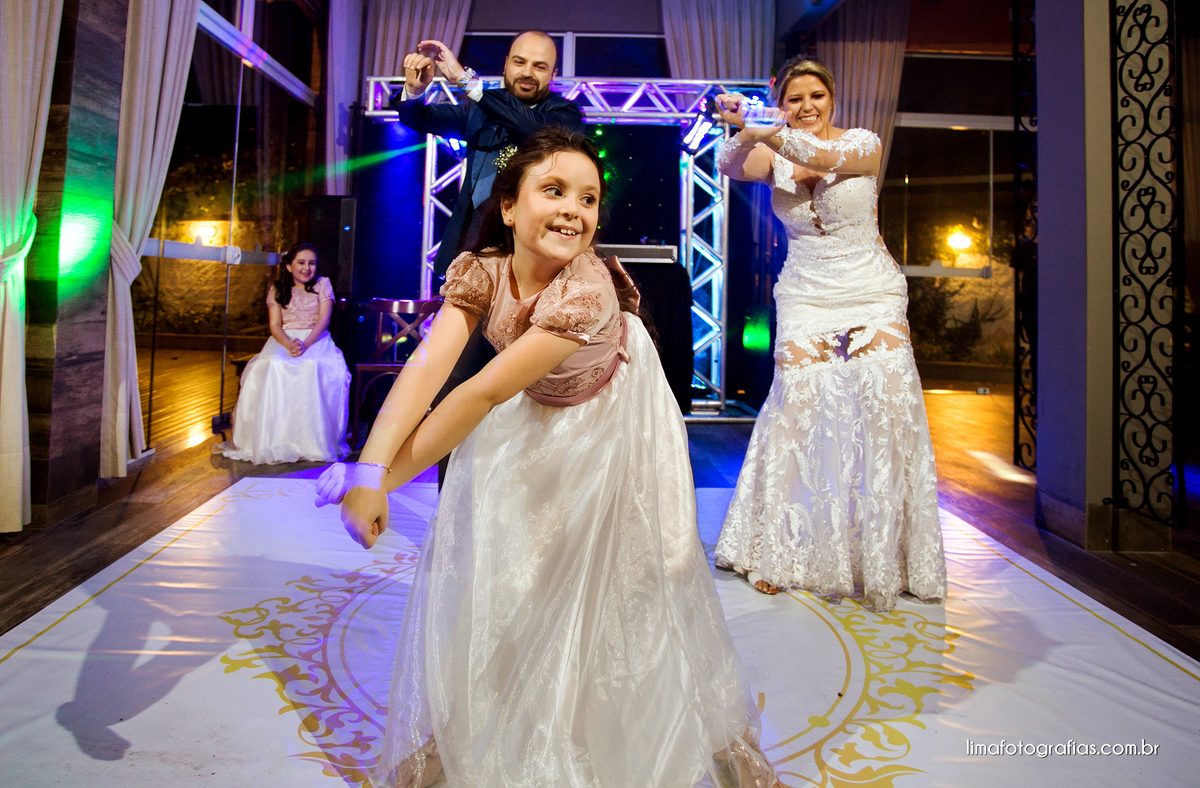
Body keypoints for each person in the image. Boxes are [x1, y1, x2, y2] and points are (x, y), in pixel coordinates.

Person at [315, 128, 780, 788]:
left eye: (588, 199)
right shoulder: (481, 270)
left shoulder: (586, 292)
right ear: (508, 206)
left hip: (618, 410)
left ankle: (726, 740)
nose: (573, 211)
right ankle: (460, 731)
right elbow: (427, 368)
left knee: (645, 579)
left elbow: (480, 391)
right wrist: (368, 470)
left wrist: (382, 482)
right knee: (508, 572)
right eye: (554, 191)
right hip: (532, 403)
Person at [710, 58, 947, 611]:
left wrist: (766, 127)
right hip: (806, 291)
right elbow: (729, 163)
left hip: (871, 288)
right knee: (796, 407)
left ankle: (889, 559)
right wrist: (744, 129)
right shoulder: (772, 150)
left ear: (832, 98)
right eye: (794, 99)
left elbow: (817, 156)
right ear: (782, 102)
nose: (807, 106)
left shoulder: (863, 143)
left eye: (816, 95)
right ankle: (777, 552)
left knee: (886, 407)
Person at [392, 31, 585, 477]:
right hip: (473, 264)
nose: (527, 72)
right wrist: (415, 92)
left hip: (533, 278)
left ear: (553, 75)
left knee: (521, 396)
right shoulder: (480, 110)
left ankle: (520, 497)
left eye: (539, 66)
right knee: (453, 383)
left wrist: (465, 80)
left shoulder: (562, 116)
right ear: (506, 65)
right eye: (520, 62)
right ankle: (450, 500)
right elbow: (417, 117)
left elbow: (537, 132)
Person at [215, 243, 350, 464]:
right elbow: (275, 324)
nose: (307, 268)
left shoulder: (322, 284)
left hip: (315, 338)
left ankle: (311, 440)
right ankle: (275, 439)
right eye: (301, 262)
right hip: (285, 338)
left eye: (311, 263)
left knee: (311, 366)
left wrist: (305, 344)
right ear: (289, 266)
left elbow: (324, 319)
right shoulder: (278, 289)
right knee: (274, 364)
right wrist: (288, 344)